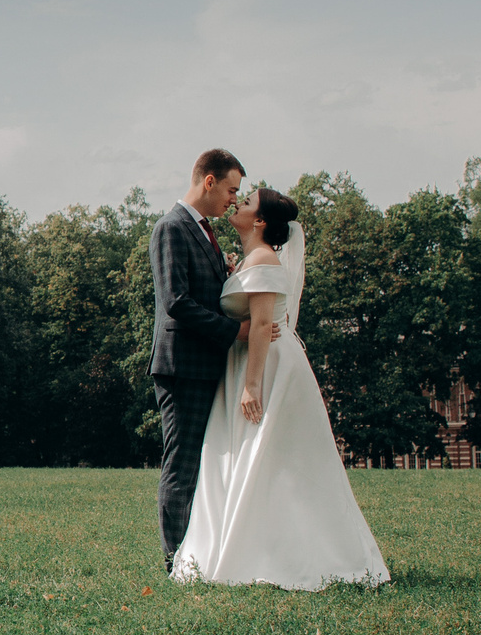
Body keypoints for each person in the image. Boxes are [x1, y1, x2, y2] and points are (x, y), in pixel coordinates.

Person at [173, 186, 390, 590]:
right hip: (246, 362)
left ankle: (282, 554)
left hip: (266, 367)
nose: (238, 202)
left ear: (259, 221)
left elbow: (259, 325)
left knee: (270, 459)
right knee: (256, 460)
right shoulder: (250, 259)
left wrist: (252, 385)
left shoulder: (264, 259)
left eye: (248, 200)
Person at [148, 149, 265, 571]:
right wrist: (237, 331)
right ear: (208, 181)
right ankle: (176, 560)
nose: (233, 200)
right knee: (181, 463)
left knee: (202, 463)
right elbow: (175, 302)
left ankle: (199, 552)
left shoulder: (204, 232)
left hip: (206, 364)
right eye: (231, 190)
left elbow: (202, 290)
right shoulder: (171, 228)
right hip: (183, 367)